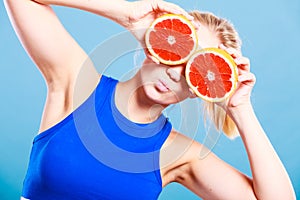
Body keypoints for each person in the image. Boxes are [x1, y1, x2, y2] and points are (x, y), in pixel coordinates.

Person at [4, 0, 296, 199]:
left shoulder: (179, 154)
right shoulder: (77, 84)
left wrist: (240, 109)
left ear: (200, 89)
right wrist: (124, 13)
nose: (175, 73)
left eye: (198, 68)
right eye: (179, 51)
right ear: (154, 45)